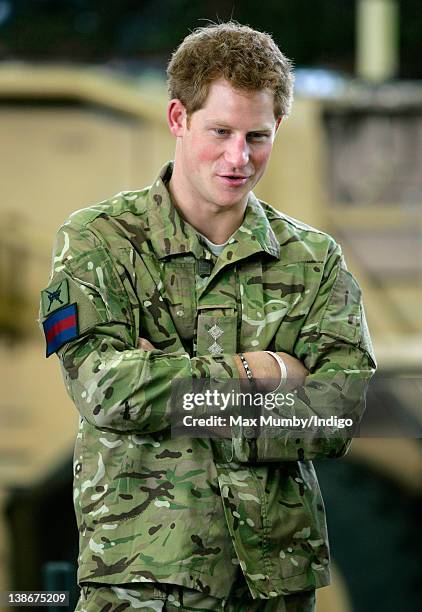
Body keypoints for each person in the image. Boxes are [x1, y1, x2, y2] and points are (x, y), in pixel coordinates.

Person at [39, 22, 376, 612]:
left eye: (258, 136)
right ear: (178, 118)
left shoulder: (314, 260)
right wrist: (262, 373)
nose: (239, 157)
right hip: (141, 580)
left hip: (276, 583)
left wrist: (169, 383)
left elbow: (340, 410)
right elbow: (105, 389)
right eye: (220, 131)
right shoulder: (98, 241)